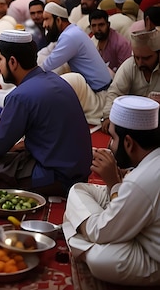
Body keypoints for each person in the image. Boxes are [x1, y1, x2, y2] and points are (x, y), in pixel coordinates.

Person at [0, 30, 92, 196]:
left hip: (58, 176)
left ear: (12, 62)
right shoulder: (54, 79)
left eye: (0, 59)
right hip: (75, 167)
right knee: (9, 153)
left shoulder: (20, 96)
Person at [63, 95, 160, 286]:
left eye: (113, 138)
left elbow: (102, 233)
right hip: (138, 222)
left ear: (129, 143)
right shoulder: (148, 164)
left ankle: (76, 227)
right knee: (79, 189)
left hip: (152, 257)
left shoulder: (141, 181)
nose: (109, 145)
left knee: (100, 259)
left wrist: (114, 184)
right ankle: (87, 222)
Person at [41, 2, 113, 125]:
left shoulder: (70, 36)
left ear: (58, 20)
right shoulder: (73, 31)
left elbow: (46, 66)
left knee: (66, 80)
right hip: (100, 92)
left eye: (46, 19)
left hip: (99, 99)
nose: (44, 25)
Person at [101, 29, 160, 133]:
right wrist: (108, 116)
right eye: (137, 57)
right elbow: (115, 92)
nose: (140, 63)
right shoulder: (130, 65)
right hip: (133, 121)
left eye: (146, 58)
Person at [89, 9, 131, 74]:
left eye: (101, 25)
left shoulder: (121, 44)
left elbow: (126, 72)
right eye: (94, 26)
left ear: (108, 24)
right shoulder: (92, 41)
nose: (97, 29)